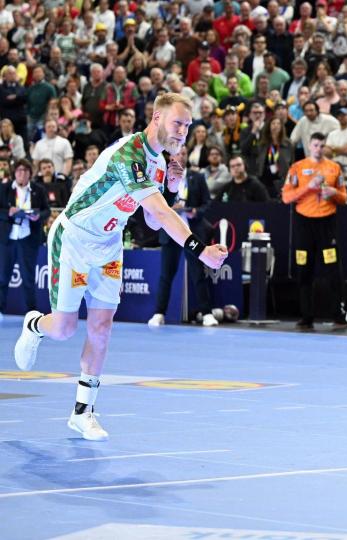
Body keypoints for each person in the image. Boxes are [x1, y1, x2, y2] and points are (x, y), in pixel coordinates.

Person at [13, 93, 228, 441]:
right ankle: (35, 325)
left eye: (188, 126)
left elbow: (152, 222)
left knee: (101, 327)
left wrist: (171, 187)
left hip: (109, 246)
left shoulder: (160, 162)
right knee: (65, 328)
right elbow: (159, 215)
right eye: (178, 123)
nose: (183, 132)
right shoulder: (129, 153)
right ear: (157, 118)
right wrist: (199, 250)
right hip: (75, 239)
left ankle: (83, 411)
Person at [282, 132, 347, 331]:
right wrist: (309, 188)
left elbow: (344, 197)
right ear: (309, 146)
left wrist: (335, 193)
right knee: (304, 270)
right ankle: (306, 317)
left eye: (322, 145)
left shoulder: (334, 168)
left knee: (333, 271)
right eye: (315, 145)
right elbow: (287, 197)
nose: (319, 149)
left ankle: (338, 316)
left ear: (325, 147)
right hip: (304, 224)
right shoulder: (297, 168)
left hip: (327, 224)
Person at [148, 146, 217, 328]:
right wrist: (171, 206)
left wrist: (196, 212)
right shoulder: (161, 177)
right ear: (171, 156)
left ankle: (207, 313)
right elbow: (157, 204)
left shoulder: (198, 177)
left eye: (185, 153)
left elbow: (207, 203)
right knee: (166, 275)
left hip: (191, 232)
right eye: (179, 152)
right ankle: (159, 313)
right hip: (170, 232)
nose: (182, 155)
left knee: (197, 273)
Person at [0, 160, 50, 319]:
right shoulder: (4, 188)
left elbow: (47, 211)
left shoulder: (38, 190)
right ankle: (0, 310)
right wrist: (8, 211)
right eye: (19, 170)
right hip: (7, 239)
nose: (22, 173)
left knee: (28, 279)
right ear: (15, 173)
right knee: (2, 277)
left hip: (28, 238)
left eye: (25, 170)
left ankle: (32, 315)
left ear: (30, 173)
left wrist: (38, 216)